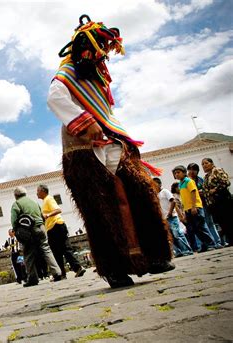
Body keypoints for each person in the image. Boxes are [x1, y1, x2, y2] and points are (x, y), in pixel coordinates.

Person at [47, 14, 174, 288]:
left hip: (112, 144)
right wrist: (84, 121)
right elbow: (55, 98)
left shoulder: (99, 77)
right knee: (99, 210)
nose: (101, 56)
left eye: (104, 51)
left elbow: (107, 111)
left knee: (139, 193)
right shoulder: (66, 74)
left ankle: (154, 256)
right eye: (98, 49)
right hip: (83, 150)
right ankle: (114, 269)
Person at [11, 186, 62, 287]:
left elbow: (14, 220)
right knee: (46, 249)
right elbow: (41, 215)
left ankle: (33, 278)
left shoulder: (16, 204)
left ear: (16, 195)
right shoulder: (34, 202)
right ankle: (57, 272)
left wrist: (17, 231)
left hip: (28, 230)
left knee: (28, 253)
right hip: (41, 227)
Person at [36, 184, 86, 279]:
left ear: (43, 191)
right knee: (61, 250)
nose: (36, 193)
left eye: (38, 191)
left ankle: (66, 272)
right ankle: (66, 272)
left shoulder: (48, 199)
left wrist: (48, 215)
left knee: (60, 251)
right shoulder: (45, 201)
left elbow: (58, 210)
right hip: (54, 227)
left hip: (56, 226)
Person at [172, 165, 216, 252]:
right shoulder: (180, 184)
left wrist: (193, 207)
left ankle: (211, 244)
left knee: (201, 227)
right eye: (175, 173)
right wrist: (184, 211)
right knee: (195, 229)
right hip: (188, 209)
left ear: (184, 173)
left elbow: (193, 193)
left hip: (195, 207)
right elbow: (184, 199)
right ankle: (205, 245)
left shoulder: (189, 181)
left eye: (178, 172)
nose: (176, 174)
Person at [153, 178, 193, 257]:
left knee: (177, 234)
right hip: (164, 218)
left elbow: (173, 201)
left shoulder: (165, 191)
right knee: (170, 236)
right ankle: (178, 251)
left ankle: (187, 250)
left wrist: (170, 212)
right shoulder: (156, 195)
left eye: (155, 184)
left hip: (171, 217)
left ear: (160, 184)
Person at [187, 163, 222, 248]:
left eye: (194, 170)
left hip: (204, 204)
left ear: (197, 171)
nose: (192, 171)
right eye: (190, 169)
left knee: (210, 223)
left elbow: (206, 189)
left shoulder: (201, 180)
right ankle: (202, 244)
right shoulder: (186, 181)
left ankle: (217, 242)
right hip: (194, 206)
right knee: (198, 226)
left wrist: (202, 191)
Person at [201, 158, 233, 245]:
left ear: (212, 163)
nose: (204, 165)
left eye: (206, 163)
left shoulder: (217, 170)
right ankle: (230, 240)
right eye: (203, 164)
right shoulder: (206, 177)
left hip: (223, 199)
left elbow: (226, 182)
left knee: (229, 219)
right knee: (222, 222)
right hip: (214, 203)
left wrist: (215, 189)